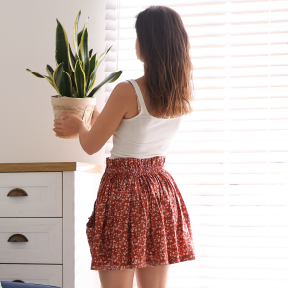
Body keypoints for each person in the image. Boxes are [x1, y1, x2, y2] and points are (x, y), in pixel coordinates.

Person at [53, 6, 195, 288]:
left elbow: (92, 145)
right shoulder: (182, 91)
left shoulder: (127, 90)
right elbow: (132, 128)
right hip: (160, 190)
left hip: (123, 193)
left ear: (148, 43)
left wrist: (81, 127)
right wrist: (95, 118)